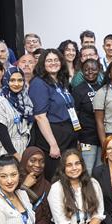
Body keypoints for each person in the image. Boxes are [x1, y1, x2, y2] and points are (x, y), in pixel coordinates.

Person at [28, 48, 79, 178]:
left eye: (56, 60)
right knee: (56, 177)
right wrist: (53, 144)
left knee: (68, 176)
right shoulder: (39, 83)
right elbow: (40, 116)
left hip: (67, 135)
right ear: (42, 63)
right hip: (53, 138)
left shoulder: (61, 81)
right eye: (49, 60)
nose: (53, 63)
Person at [0, 69, 33, 163]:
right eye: (12, 80)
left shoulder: (26, 100)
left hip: (24, 147)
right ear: (6, 81)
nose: (16, 84)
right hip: (6, 150)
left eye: (20, 80)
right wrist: (14, 154)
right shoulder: (0, 101)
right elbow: (2, 132)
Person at [72, 58, 103, 172]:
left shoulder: (102, 88)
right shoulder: (78, 90)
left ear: (98, 70)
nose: (90, 72)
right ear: (82, 71)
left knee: (100, 170)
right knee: (87, 170)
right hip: (86, 138)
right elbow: (75, 115)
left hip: (102, 137)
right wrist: (77, 138)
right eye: (86, 69)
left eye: (93, 69)